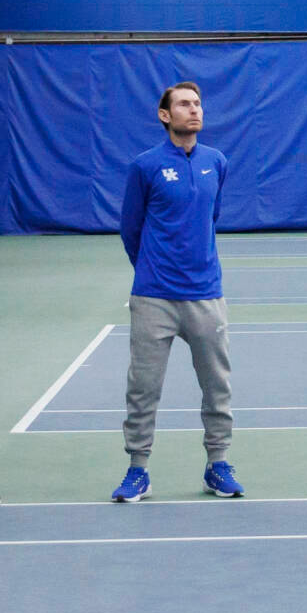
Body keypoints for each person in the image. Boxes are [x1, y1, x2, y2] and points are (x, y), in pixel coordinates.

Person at [111, 80, 241, 502]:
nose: (194, 110)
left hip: (206, 295)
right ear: (165, 115)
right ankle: (138, 470)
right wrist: (153, 269)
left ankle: (218, 465)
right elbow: (131, 228)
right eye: (184, 104)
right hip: (154, 298)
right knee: (143, 387)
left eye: (198, 104)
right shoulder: (145, 166)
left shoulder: (216, 162)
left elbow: (211, 214)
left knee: (217, 385)